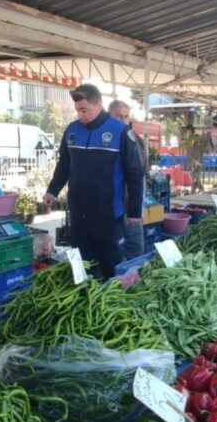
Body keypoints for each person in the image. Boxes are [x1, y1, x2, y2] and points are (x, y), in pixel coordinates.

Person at [43, 84, 144, 279]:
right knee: (82, 268)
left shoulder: (121, 132)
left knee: (110, 268)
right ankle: (84, 303)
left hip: (108, 215)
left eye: (84, 110)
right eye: (78, 111)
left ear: (99, 105)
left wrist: (134, 211)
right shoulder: (72, 130)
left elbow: (135, 174)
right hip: (79, 213)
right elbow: (64, 164)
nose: (81, 115)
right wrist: (52, 191)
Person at [108, 99, 149, 260]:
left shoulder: (133, 138)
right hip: (115, 207)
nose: (123, 121)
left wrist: (136, 207)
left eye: (126, 117)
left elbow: (141, 171)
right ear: (109, 115)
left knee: (135, 250)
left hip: (131, 205)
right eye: (118, 116)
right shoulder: (108, 139)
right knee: (116, 253)